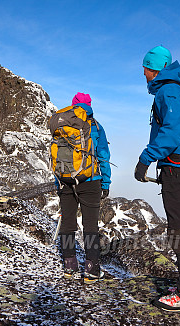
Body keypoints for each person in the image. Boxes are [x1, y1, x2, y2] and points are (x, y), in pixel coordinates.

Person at [134, 46, 180, 313]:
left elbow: (173, 132)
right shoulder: (174, 90)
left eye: (144, 68)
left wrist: (146, 158)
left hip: (177, 170)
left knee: (179, 231)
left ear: (153, 68)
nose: (142, 73)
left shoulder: (169, 91)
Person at [57, 92, 111, 284]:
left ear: (73, 106)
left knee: (68, 224)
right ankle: (91, 268)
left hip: (65, 181)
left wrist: (59, 183)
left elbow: (59, 158)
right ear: (89, 105)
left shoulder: (62, 125)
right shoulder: (95, 125)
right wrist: (105, 182)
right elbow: (103, 155)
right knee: (90, 226)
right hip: (90, 180)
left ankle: (69, 265)